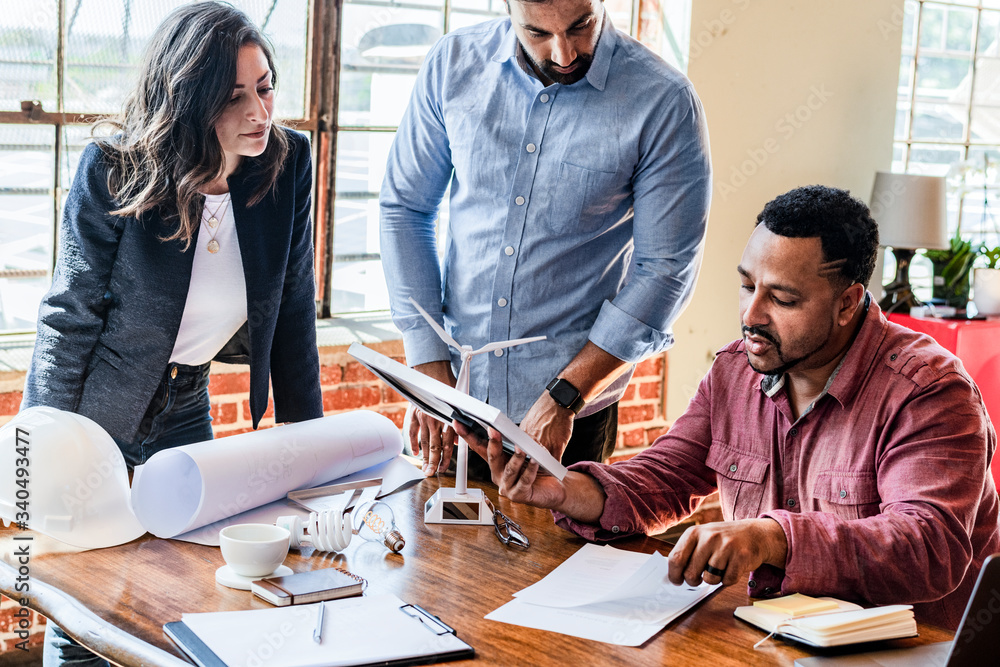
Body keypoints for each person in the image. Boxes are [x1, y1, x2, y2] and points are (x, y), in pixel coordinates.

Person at [458, 185, 1000, 631]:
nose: (752, 314)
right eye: (746, 286)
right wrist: (563, 489)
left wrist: (772, 537)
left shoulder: (929, 391)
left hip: (911, 651)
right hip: (772, 636)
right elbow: (665, 476)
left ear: (847, 303)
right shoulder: (735, 369)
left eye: (783, 299)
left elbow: (928, 546)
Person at [21, 3, 323, 664]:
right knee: (88, 609)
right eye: (234, 96)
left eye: (265, 87)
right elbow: (68, 318)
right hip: (96, 419)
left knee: (186, 593)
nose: (259, 113)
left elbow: (296, 308)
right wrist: (34, 465)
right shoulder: (113, 166)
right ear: (189, 99)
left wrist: (312, 460)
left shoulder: (287, 163)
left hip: (188, 407)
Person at [379, 0, 711, 477]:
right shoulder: (452, 66)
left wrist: (566, 394)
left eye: (582, 26)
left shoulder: (663, 101)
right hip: (455, 395)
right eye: (537, 33)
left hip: (570, 413)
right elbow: (405, 209)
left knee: (558, 554)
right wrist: (427, 367)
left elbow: (665, 269)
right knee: (438, 551)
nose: (563, 53)